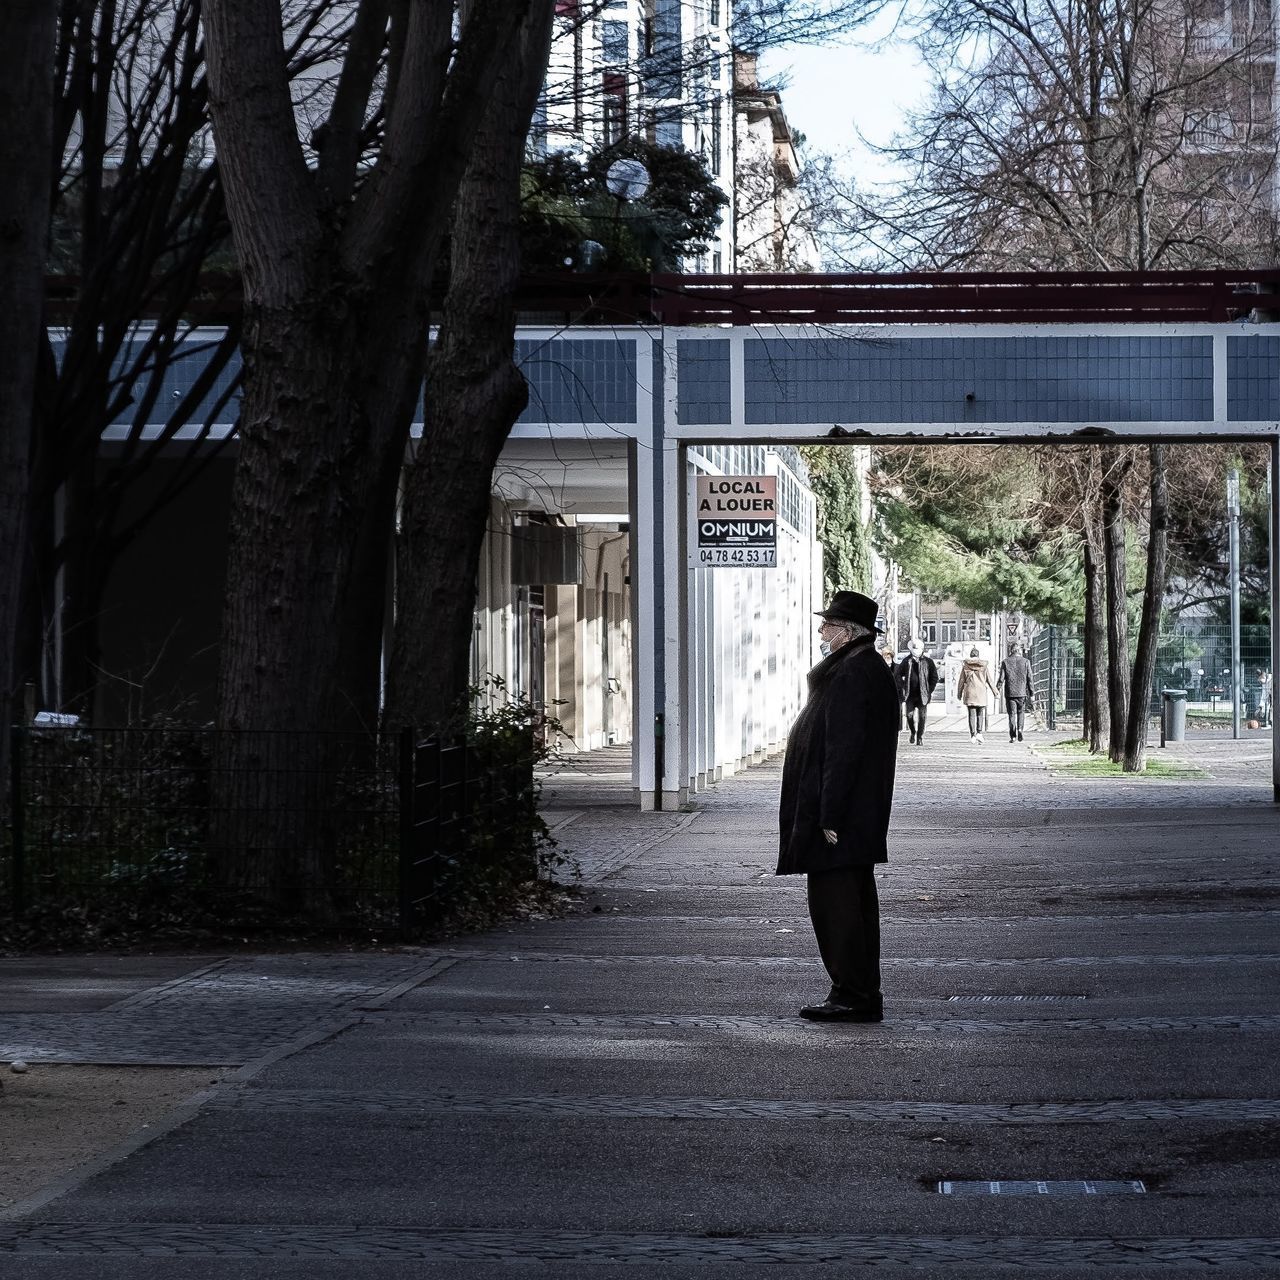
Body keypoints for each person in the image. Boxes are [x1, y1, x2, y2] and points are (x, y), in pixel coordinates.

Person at [777, 590, 899, 1023]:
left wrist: (830, 816)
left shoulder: (853, 672)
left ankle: (853, 995)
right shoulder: (861, 667)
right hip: (851, 815)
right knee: (851, 906)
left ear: (847, 633)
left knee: (840, 909)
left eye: (827, 625)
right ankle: (856, 991)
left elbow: (843, 750)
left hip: (841, 820)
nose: (821, 631)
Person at [894, 638, 939, 746]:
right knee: (909, 715)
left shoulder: (928, 662)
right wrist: (902, 687)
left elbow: (934, 677)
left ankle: (919, 737)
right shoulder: (907, 661)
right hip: (910, 694)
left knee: (922, 717)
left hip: (923, 694)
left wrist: (930, 690)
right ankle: (913, 732)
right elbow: (898, 674)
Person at [956, 646, 999, 743]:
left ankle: (973, 735)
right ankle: (979, 733)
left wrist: (959, 693)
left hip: (970, 692)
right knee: (980, 713)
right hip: (981, 693)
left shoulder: (966, 666)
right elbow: (989, 680)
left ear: (971, 656)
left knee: (971, 714)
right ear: (978, 655)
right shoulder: (983, 666)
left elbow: (961, 681)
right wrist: (995, 692)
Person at [997, 640, 1036, 742]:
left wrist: (997, 689)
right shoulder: (1026, 662)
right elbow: (1030, 678)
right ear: (1019, 651)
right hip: (1022, 693)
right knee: (1021, 712)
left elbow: (1001, 678)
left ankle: (1013, 736)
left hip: (1010, 693)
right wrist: (1032, 693)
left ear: (1011, 650)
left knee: (1011, 714)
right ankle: (1020, 729)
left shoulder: (1005, 662)